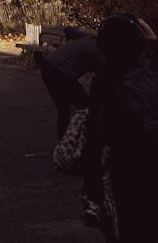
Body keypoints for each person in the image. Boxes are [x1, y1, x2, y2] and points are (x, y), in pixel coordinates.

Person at [83, 14, 158, 241]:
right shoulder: (152, 72)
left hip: (126, 165)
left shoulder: (105, 80)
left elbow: (97, 132)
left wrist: (92, 181)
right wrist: (152, 38)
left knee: (129, 229)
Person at [41, 26, 100, 138]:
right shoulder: (100, 50)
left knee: (64, 109)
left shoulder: (93, 39)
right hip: (59, 71)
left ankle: (65, 143)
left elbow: (68, 30)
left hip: (49, 65)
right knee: (84, 107)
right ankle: (79, 141)